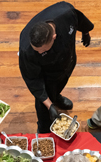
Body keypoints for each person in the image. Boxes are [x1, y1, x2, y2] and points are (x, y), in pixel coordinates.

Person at [19, 1, 94, 133]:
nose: (39, 53)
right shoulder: (27, 50)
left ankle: (56, 96)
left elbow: (79, 19)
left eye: (42, 51)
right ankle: (43, 128)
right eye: (36, 50)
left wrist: (85, 32)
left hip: (66, 62)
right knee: (44, 104)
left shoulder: (66, 13)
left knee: (61, 83)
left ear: (54, 37)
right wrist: (49, 105)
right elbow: (33, 80)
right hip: (47, 75)